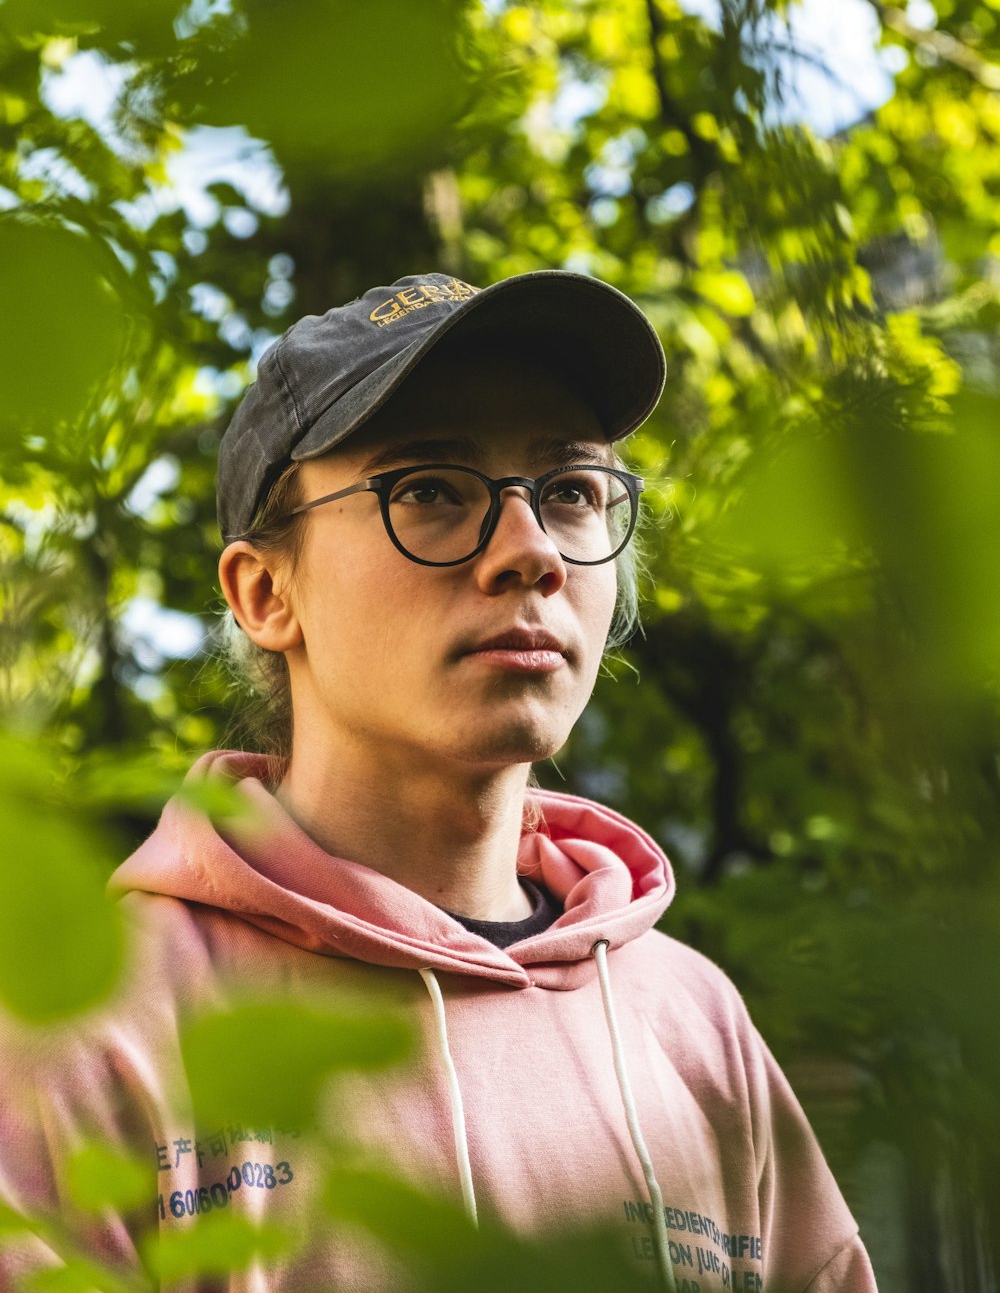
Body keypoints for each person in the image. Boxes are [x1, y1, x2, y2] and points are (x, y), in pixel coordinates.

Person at [0, 271, 877, 1292]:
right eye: (428, 488)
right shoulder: (91, 1029)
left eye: (571, 492)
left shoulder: (691, 1022)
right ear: (265, 592)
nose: (530, 552)